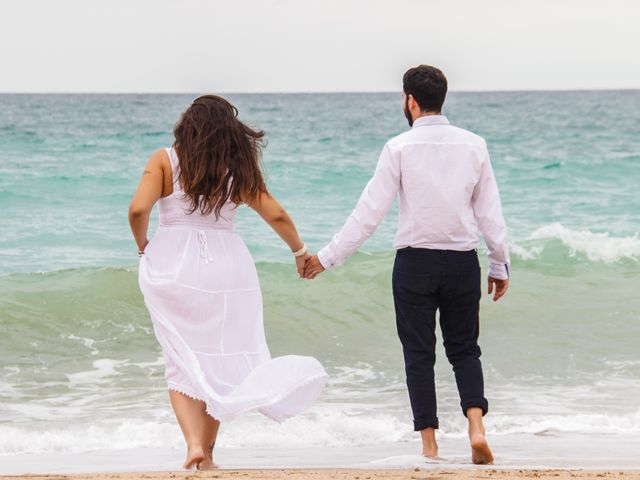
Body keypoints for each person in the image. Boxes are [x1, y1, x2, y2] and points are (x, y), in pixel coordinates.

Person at [304, 65, 509, 465]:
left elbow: (369, 213)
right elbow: (491, 214)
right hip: (462, 262)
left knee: (419, 354)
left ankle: (430, 447)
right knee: (465, 349)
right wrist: (499, 264)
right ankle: (476, 427)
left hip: (415, 263)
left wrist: (326, 258)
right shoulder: (474, 145)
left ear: (409, 100)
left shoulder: (398, 148)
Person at [128, 95, 327, 470]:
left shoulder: (164, 160)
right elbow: (277, 214)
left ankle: (193, 447)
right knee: (221, 360)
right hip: (228, 268)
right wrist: (300, 252)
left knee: (180, 360)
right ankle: (209, 453)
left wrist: (143, 248)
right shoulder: (238, 170)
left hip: (173, 264)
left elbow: (138, 209)